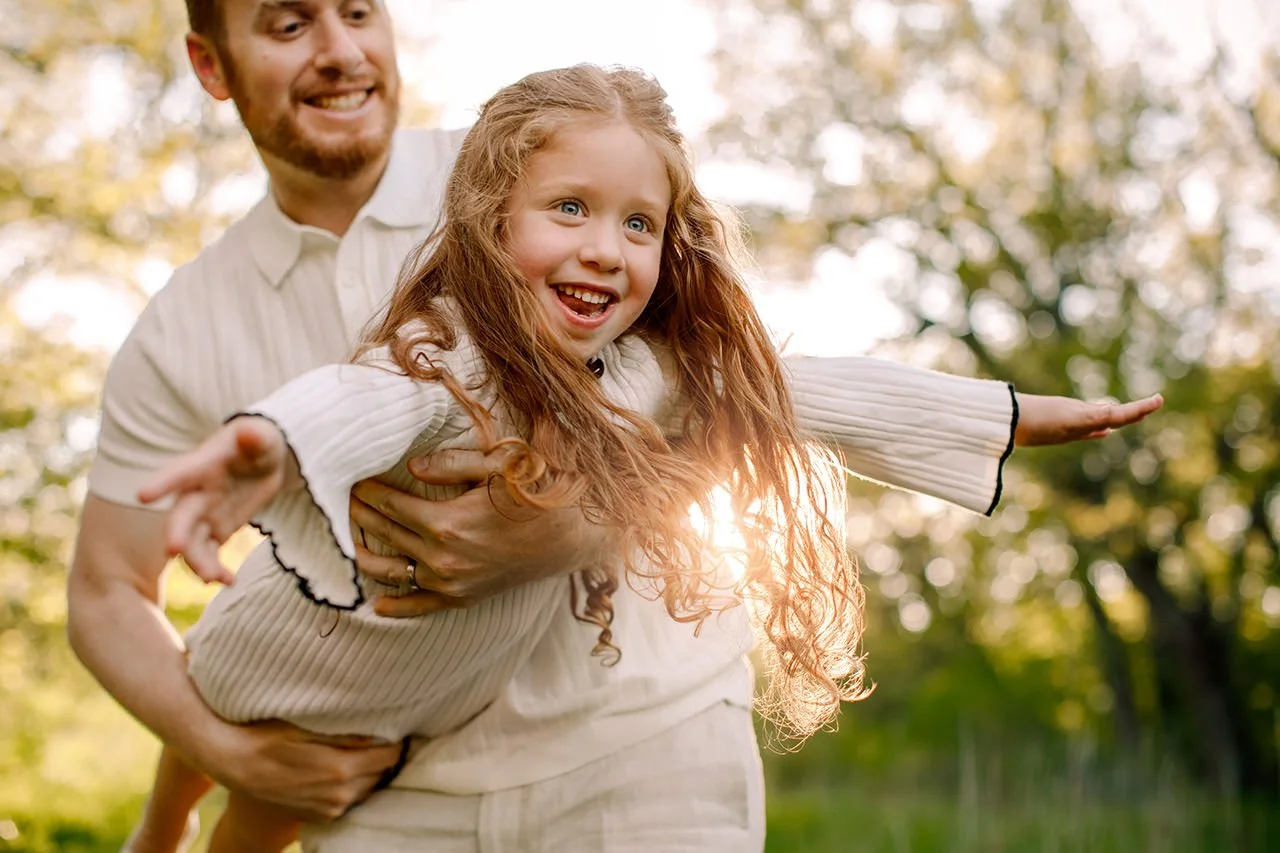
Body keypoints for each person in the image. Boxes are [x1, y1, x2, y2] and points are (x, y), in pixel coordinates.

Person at [66, 2, 1161, 851]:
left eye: (359, 10)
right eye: (288, 21)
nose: (340, 49)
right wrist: (221, 752)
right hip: (392, 799)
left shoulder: (548, 159)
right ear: (210, 64)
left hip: (644, 756)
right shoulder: (183, 326)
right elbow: (109, 589)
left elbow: (737, 384)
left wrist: (574, 520)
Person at [129, 63, 875, 850]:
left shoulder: (648, 364)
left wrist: (1012, 417)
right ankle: (161, 823)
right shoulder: (450, 348)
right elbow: (366, 398)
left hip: (436, 697)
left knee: (277, 800)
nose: (605, 249)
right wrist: (275, 442)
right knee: (231, 696)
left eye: (638, 225)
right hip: (321, 635)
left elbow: (801, 400)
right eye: (570, 209)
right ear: (491, 221)